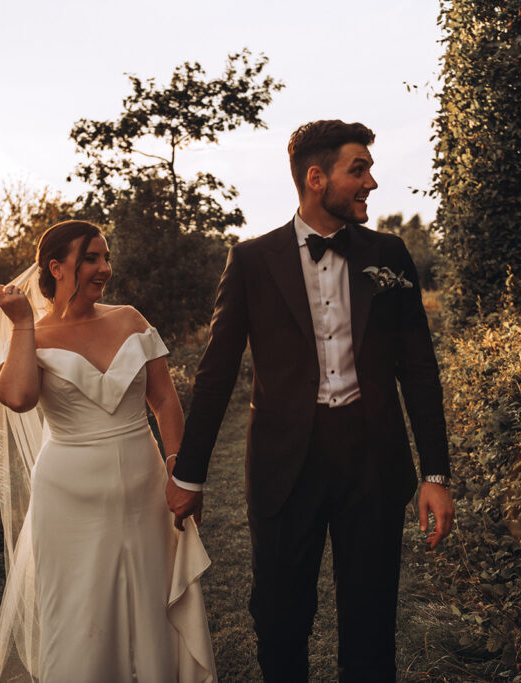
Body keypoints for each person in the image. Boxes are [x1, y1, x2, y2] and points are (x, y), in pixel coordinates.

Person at [166, 121, 455, 681]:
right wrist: (190, 475)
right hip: (283, 466)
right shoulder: (251, 260)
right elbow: (216, 372)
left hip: (372, 461)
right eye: (359, 169)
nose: (371, 181)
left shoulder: (390, 253)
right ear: (316, 178)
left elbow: (418, 369)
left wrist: (436, 474)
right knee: (278, 621)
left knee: (371, 627)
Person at [0, 220, 216, 682]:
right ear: (57, 267)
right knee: (77, 611)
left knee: (152, 604)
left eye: (106, 257)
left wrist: (177, 468)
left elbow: (165, 400)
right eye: (91, 257)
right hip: (69, 497)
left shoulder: (130, 319)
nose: (104, 268)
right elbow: (17, 398)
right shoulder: (33, 334)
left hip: (144, 485)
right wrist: (25, 325)